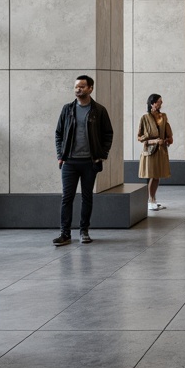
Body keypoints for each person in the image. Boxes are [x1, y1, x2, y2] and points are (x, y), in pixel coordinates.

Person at [53, 74, 113, 246]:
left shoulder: (99, 110)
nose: (77, 89)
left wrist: (103, 153)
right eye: (76, 87)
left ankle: (84, 231)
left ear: (90, 88)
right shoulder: (67, 109)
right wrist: (60, 155)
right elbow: (58, 133)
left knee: (87, 197)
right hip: (69, 162)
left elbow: (108, 133)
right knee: (67, 198)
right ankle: (65, 233)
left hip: (90, 162)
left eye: (81, 86)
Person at [137, 93, 173, 210]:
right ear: (152, 103)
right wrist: (154, 141)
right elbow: (140, 137)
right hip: (150, 151)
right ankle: (150, 200)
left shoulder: (163, 116)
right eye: (159, 101)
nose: (161, 103)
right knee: (152, 175)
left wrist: (167, 140)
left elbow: (169, 134)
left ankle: (153, 199)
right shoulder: (145, 118)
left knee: (157, 176)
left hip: (161, 151)